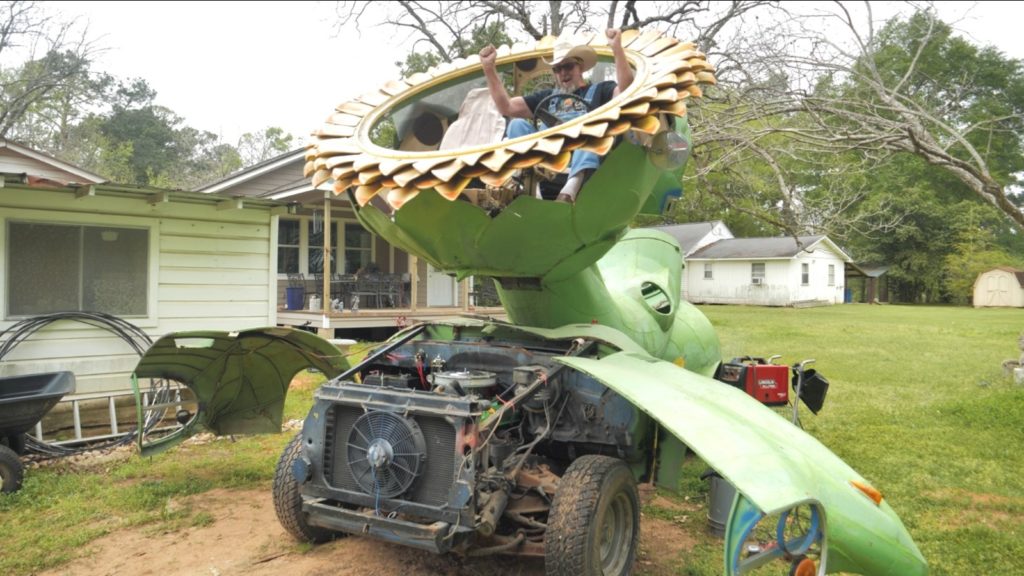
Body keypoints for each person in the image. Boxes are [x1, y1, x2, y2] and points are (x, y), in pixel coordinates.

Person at [479, 28, 634, 203]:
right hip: (548, 162)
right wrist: (489, 68)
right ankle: (530, 186)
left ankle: (569, 192)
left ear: (580, 67)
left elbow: (627, 91)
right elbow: (506, 107)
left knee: (590, 132)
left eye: (568, 66)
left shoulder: (600, 90)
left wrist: (616, 48)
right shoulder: (547, 98)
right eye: (557, 69)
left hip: (583, 162)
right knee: (517, 125)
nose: (563, 73)